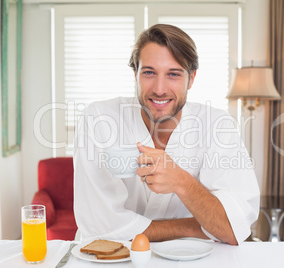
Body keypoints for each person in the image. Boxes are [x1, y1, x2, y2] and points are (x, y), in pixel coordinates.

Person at [74, 24, 259, 245]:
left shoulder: (217, 125)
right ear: (135, 75)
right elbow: (100, 227)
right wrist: (192, 227)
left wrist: (182, 182)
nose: (159, 89)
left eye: (173, 74)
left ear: (191, 79)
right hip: (114, 258)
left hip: (190, 259)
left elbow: (232, 229)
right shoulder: (98, 119)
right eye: (149, 72)